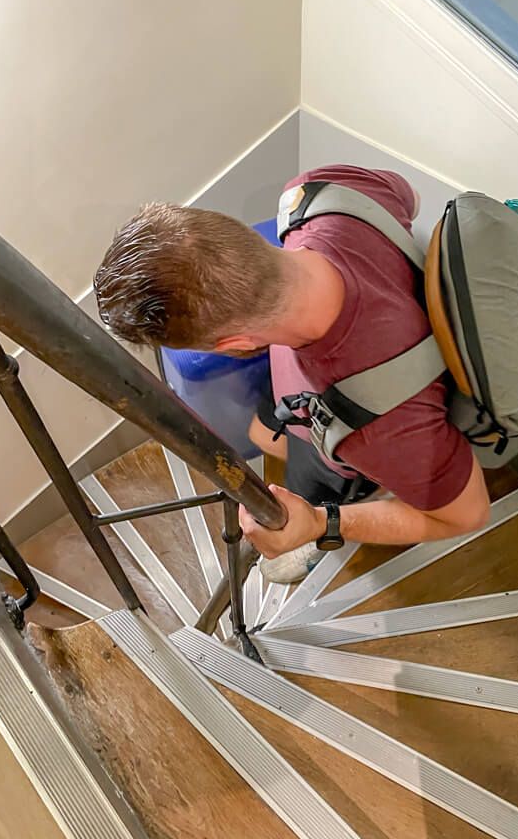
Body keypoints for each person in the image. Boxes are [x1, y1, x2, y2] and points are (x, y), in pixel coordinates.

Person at [94, 164, 491, 582]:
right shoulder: (320, 196)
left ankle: (359, 498)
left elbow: (468, 515)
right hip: (327, 400)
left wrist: (322, 523)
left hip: (347, 435)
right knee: (261, 433)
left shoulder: (376, 428)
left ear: (235, 345)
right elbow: (407, 195)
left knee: (284, 543)